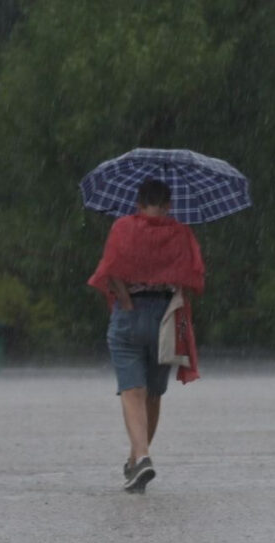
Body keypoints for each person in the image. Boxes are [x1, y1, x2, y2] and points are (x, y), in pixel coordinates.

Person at [87, 178, 205, 493]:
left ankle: (140, 457)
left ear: (138, 203)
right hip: (166, 319)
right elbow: (192, 279)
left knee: (131, 391)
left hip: (129, 315)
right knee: (153, 394)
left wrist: (125, 299)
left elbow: (109, 270)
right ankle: (138, 460)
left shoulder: (123, 228)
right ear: (169, 204)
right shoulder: (180, 232)